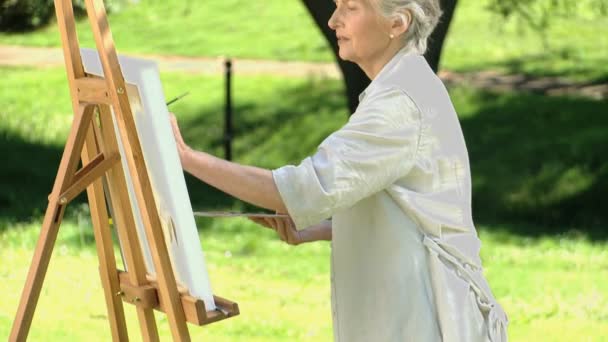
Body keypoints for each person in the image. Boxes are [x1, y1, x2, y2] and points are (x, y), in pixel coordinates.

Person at [169, 0, 508, 340]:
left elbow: (302, 189)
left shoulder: (399, 104)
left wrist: (186, 157)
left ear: (397, 24)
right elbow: (408, 207)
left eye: (351, 7)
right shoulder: (401, 86)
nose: (333, 21)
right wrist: (323, 229)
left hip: (432, 319)